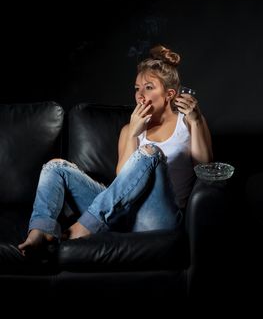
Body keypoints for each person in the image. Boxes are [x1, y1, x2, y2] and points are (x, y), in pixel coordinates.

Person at [18, 44, 213, 254]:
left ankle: (86, 225)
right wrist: (133, 133)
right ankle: (40, 230)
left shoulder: (189, 123)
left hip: (158, 217)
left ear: (170, 94)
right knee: (54, 167)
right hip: (121, 213)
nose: (140, 95)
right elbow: (123, 176)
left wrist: (196, 122)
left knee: (151, 152)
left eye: (149, 87)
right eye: (137, 88)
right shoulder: (130, 128)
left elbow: (204, 169)